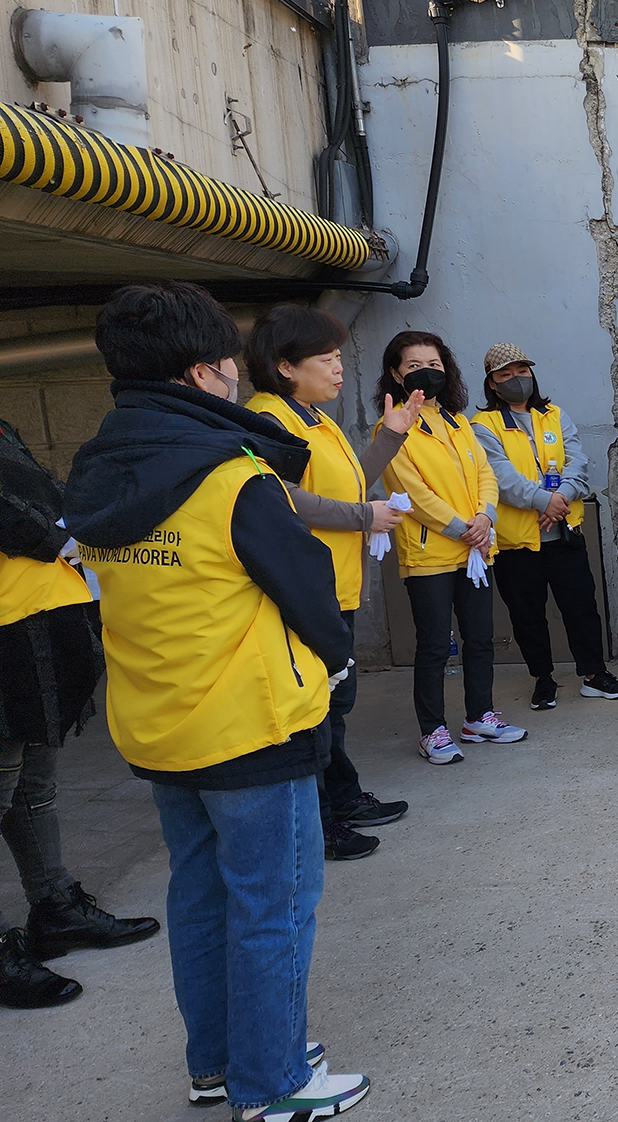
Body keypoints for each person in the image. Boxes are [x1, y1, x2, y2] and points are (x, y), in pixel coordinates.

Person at [65, 282, 369, 1118]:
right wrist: (335, 664)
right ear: (206, 373)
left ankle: (219, 1063)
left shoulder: (97, 471)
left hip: (161, 726)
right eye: (230, 364)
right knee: (273, 907)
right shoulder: (233, 476)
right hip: (252, 727)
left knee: (200, 897)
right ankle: (272, 1083)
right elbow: (312, 593)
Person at [244, 306, 417, 860]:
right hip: (307, 588)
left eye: (340, 356)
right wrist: (365, 517)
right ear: (285, 366)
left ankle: (339, 797)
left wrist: (390, 437)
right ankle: (319, 819)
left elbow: (348, 481)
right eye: (327, 358)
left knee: (335, 703)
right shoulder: (269, 419)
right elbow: (280, 497)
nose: (339, 368)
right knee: (319, 707)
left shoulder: (314, 418)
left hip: (335, 582)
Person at [0, 417, 157, 1009]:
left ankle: (55, 906)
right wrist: (62, 537)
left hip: (42, 615)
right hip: (6, 630)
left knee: (33, 783)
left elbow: (45, 500)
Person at [375, 331, 523, 763]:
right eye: (415, 365)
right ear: (395, 373)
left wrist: (485, 518)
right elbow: (412, 493)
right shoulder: (392, 429)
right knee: (436, 644)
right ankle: (432, 729)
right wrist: (463, 527)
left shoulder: (457, 420)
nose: (427, 371)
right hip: (431, 555)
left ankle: (479, 715)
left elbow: (486, 475)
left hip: (475, 549)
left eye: (435, 364)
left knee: (480, 637)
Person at [470, 342, 618, 713]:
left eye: (522, 371)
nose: (516, 379)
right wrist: (546, 501)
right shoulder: (483, 426)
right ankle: (542, 679)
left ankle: (594, 675)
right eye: (505, 375)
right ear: (492, 383)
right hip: (517, 543)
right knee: (527, 615)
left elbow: (578, 460)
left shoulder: (554, 415)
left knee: (581, 607)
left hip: (564, 533)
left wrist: (561, 499)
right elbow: (500, 476)